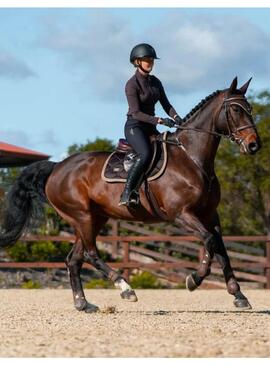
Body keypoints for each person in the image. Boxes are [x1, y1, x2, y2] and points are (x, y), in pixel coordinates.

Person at [118, 43, 183, 207]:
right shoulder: (131, 85)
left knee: (170, 147)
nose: (150, 63)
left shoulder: (155, 82)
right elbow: (136, 113)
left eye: (152, 60)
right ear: (137, 62)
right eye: (147, 60)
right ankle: (127, 193)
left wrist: (177, 118)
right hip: (135, 127)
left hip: (150, 126)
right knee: (146, 154)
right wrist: (160, 121)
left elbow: (166, 105)